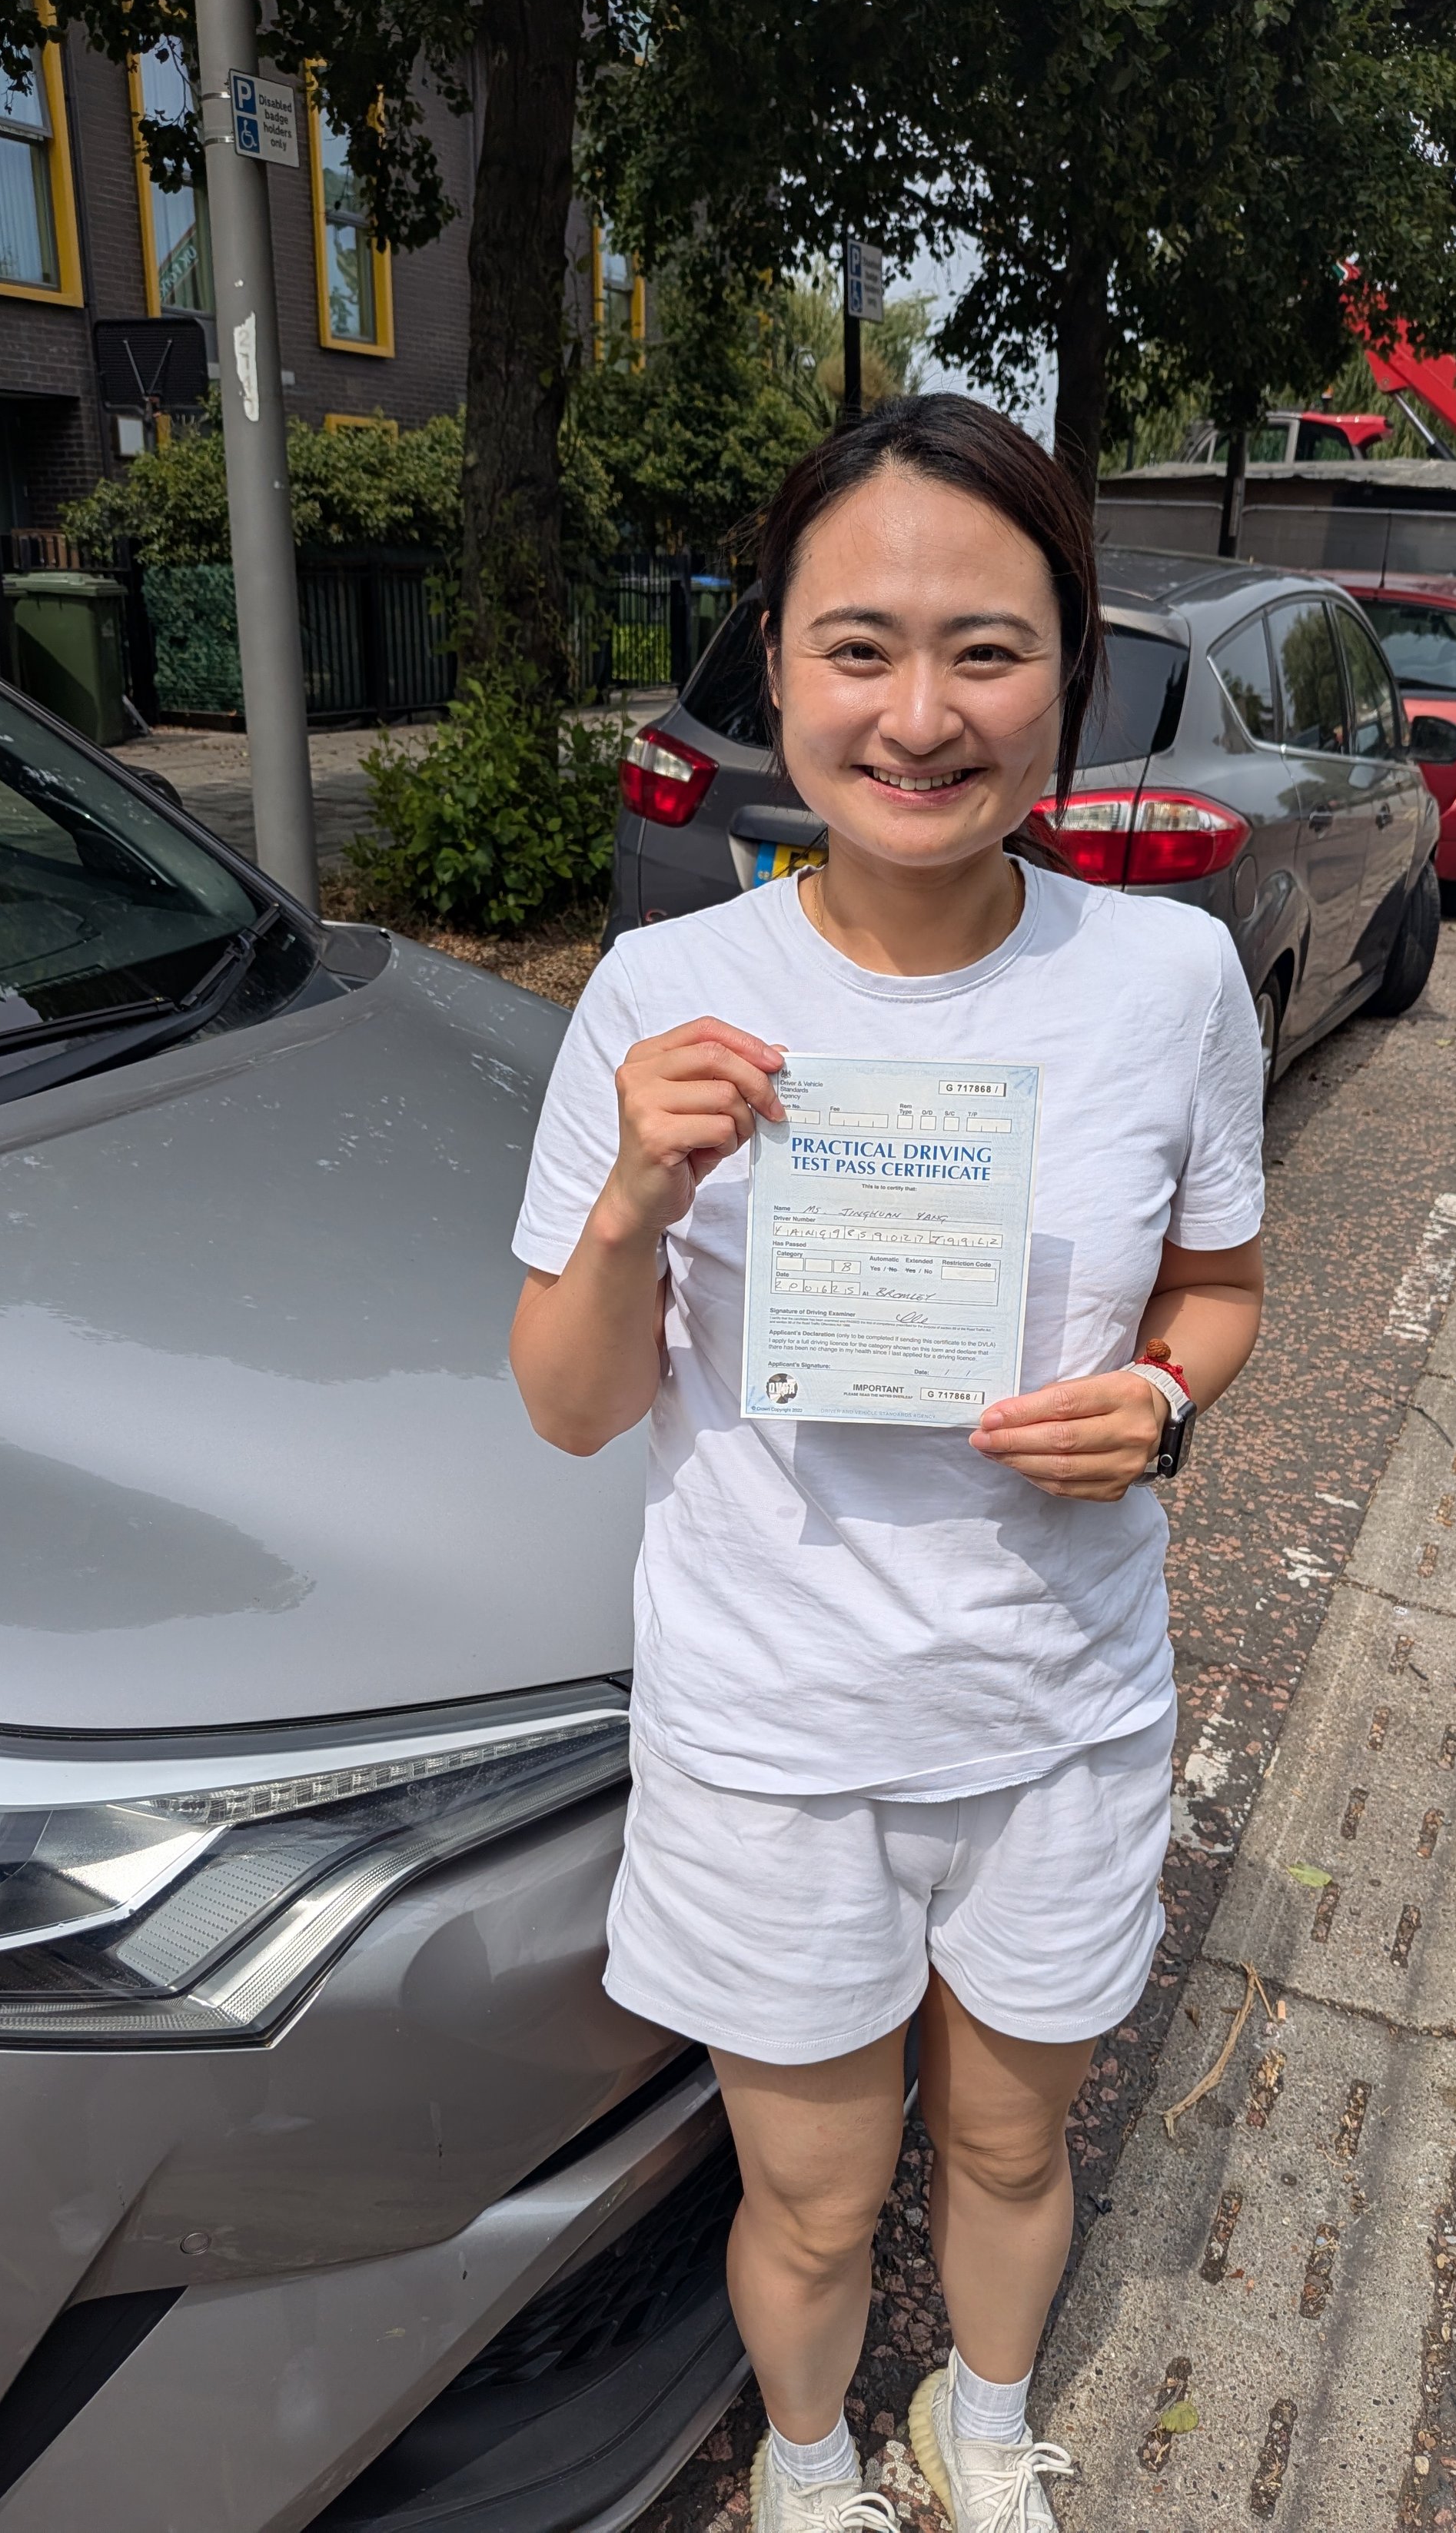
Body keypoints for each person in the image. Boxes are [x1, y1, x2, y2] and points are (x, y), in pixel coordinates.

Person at [508, 394, 1265, 2533]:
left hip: (1054, 1714)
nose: (917, 714)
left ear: (1069, 672)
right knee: (817, 2205)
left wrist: (1166, 1408)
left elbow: (1215, 1287)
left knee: (1018, 2153)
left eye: (984, 649)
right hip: (775, 1734)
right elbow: (570, 1403)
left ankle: (986, 2429)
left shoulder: (1163, 975)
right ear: (774, 666)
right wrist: (632, 1202)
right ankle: (815, 2463)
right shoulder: (665, 994)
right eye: (858, 646)